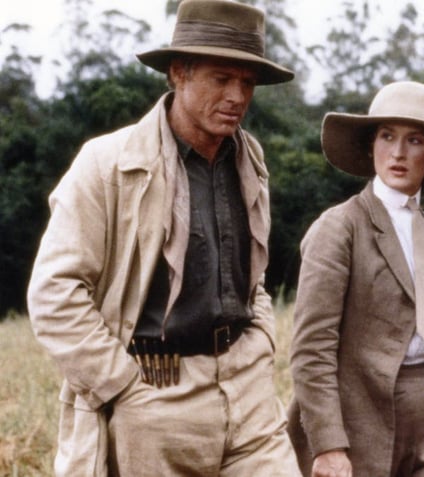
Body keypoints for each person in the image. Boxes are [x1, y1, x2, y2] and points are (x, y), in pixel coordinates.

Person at [26, 1, 302, 475]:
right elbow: (54, 294)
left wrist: (259, 342)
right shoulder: (108, 163)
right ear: (178, 73)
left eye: (248, 82)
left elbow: (251, 274)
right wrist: (121, 383)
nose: (237, 95)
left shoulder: (249, 157)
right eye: (221, 78)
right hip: (156, 392)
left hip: (248, 389)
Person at [287, 81, 424, 477]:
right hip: (358, 422)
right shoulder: (340, 227)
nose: (398, 153)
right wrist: (328, 446)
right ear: (370, 146)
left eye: (414, 140)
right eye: (386, 136)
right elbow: (312, 349)